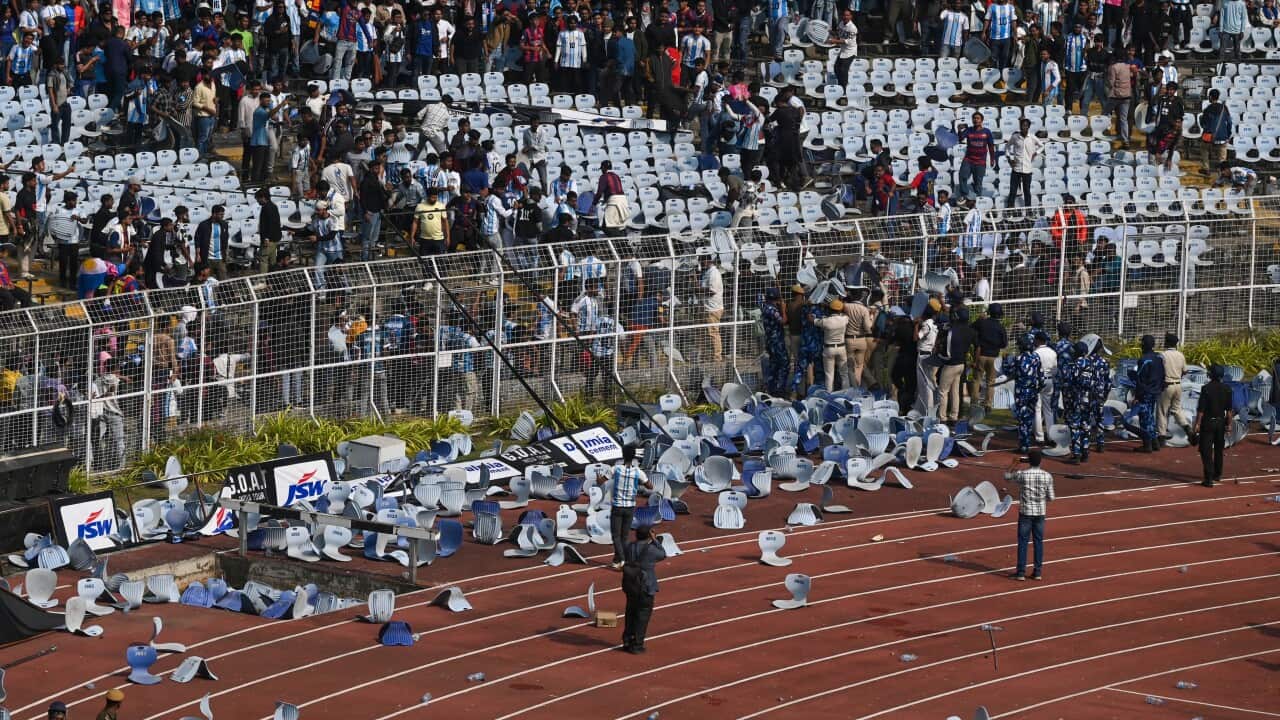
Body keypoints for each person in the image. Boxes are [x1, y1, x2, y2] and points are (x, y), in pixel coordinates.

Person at [1005, 448, 1054, 581]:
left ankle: (1021, 572)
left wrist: (1014, 463)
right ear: (1040, 461)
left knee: (1023, 542)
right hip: (1040, 513)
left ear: (1028, 461)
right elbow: (1051, 498)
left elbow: (1007, 476)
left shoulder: (1023, 475)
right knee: (1038, 542)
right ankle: (1037, 572)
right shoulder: (1047, 476)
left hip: (1025, 512)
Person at [620, 524, 667, 654]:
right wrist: (655, 540)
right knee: (642, 615)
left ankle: (627, 640)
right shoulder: (651, 550)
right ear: (649, 535)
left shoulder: (629, 546)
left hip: (630, 584)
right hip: (646, 586)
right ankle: (637, 644)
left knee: (630, 613)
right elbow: (663, 554)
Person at [609, 445, 652, 570]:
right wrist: (639, 482)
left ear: (623, 455)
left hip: (617, 506)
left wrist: (598, 478)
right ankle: (617, 559)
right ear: (634, 457)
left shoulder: (616, 469)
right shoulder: (638, 472)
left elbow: (601, 480)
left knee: (616, 536)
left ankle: (623, 559)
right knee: (625, 536)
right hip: (630, 507)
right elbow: (650, 486)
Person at [1192, 365, 1234, 487]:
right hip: (1221, 422)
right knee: (1219, 450)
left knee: (1206, 450)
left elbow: (1201, 410)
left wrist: (1197, 424)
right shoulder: (1227, 389)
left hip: (1208, 422)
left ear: (1211, 375)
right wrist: (1229, 425)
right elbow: (1229, 411)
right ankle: (1217, 474)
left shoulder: (1206, 388)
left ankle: (1208, 477)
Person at [1007, 334, 1044, 453]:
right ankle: (1026, 443)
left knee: (1022, 419)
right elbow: (1041, 376)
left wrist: (1006, 361)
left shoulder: (1018, 359)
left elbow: (1009, 372)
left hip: (1021, 392)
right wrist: (1037, 389)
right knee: (1029, 418)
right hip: (1033, 392)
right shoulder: (1036, 357)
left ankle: (1024, 445)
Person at [1130, 334, 1165, 453]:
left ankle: (1147, 445)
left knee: (1144, 418)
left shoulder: (1144, 360)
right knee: (1150, 416)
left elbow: (1140, 380)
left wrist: (1137, 396)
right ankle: (1154, 442)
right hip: (1155, 392)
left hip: (1145, 392)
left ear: (1143, 345)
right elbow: (1162, 376)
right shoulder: (1159, 358)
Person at [969, 303, 1006, 409]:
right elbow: (1004, 344)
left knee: (977, 380)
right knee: (991, 381)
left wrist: (979, 319)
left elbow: (971, 327)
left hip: (980, 354)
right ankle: (988, 404)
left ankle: (974, 403)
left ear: (989, 312)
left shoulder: (982, 323)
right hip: (994, 357)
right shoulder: (1000, 327)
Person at [1157, 332, 1188, 446]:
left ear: (1167, 342)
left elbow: (1159, 370)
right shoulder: (1180, 355)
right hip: (1178, 385)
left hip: (1167, 385)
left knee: (1162, 411)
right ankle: (1187, 428)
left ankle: (1161, 437)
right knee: (1176, 410)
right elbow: (1185, 371)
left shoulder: (1163, 355)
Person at [957, 113, 997, 201]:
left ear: (981, 120)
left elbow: (990, 146)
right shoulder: (969, 130)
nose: (976, 120)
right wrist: (959, 130)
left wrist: (992, 159)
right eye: (974, 118)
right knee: (962, 176)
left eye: (978, 118)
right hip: (968, 159)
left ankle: (977, 200)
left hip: (980, 162)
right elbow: (960, 139)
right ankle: (965, 195)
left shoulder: (987, 131)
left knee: (978, 183)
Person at [696, 253, 724, 363]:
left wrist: (698, 289)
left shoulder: (714, 273)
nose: (700, 264)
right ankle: (705, 355)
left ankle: (717, 357)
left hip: (713, 308)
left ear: (707, 261)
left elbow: (712, 291)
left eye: (701, 262)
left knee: (713, 333)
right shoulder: (707, 273)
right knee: (704, 333)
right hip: (706, 307)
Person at [761, 287, 789, 395]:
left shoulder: (766, 307)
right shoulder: (771, 310)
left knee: (774, 364)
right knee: (784, 364)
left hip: (771, 341)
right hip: (776, 341)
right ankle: (779, 388)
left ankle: (771, 387)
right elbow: (783, 321)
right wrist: (784, 309)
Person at [817, 299, 850, 391]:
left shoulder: (825, 321)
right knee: (844, 373)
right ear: (840, 310)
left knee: (829, 374)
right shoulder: (844, 319)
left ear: (830, 309)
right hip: (841, 348)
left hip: (828, 349)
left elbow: (813, 321)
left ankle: (829, 394)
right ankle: (846, 393)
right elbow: (846, 312)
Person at [1198, 88, 1233, 175]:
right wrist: (1228, 134)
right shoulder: (1224, 108)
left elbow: (1203, 125)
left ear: (1210, 97)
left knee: (1204, 148)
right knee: (1222, 157)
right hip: (1223, 137)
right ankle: (1222, 173)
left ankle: (1206, 168)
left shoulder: (1207, 109)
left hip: (1210, 137)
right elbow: (1229, 122)